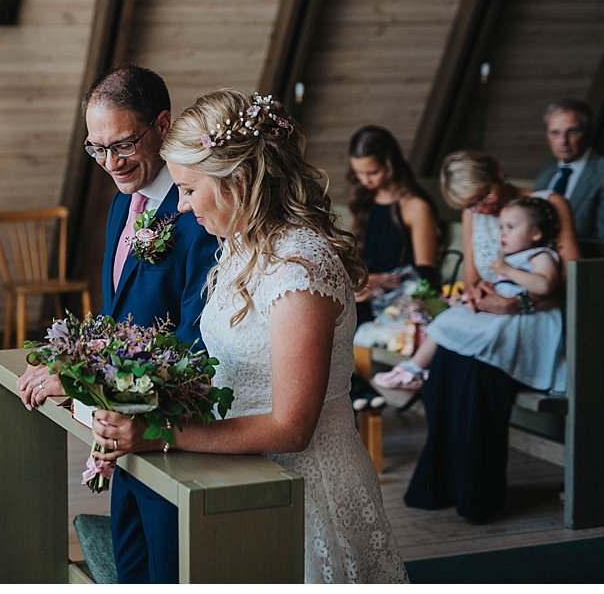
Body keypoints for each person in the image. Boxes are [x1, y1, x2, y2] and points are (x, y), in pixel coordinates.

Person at [91, 89, 407, 584]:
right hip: (236, 477)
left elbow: (291, 428)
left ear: (237, 181)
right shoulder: (240, 248)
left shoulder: (298, 267)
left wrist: (161, 436)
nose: (183, 205)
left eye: (190, 190)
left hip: (302, 489)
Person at [12, 65, 218, 584]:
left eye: (122, 144)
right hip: (124, 427)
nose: (110, 162)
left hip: (169, 429)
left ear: (163, 125)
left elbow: (196, 342)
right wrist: (72, 362)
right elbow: (118, 318)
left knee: (167, 571)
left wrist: (84, 382)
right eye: (96, 148)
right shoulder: (122, 203)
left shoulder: (201, 212)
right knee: (131, 567)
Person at [403, 173, 574, 523]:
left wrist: (516, 303)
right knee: (447, 363)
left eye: (484, 196)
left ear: (497, 176)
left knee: (475, 370)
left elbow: (561, 284)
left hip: (528, 326)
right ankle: (440, 484)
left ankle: (478, 495)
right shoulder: (483, 221)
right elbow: (476, 279)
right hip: (496, 323)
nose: (483, 210)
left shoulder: (543, 213)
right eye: (472, 203)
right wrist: (477, 296)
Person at [343, 125, 441, 323]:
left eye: (372, 172)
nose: (364, 181)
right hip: (365, 293)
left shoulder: (415, 206)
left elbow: (425, 276)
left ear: (390, 164)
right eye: (358, 174)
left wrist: (379, 283)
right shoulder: (363, 200)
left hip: (402, 300)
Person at [533, 100, 604, 247]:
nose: (563, 141)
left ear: (588, 132)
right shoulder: (545, 175)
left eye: (572, 132)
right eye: (555, 133)